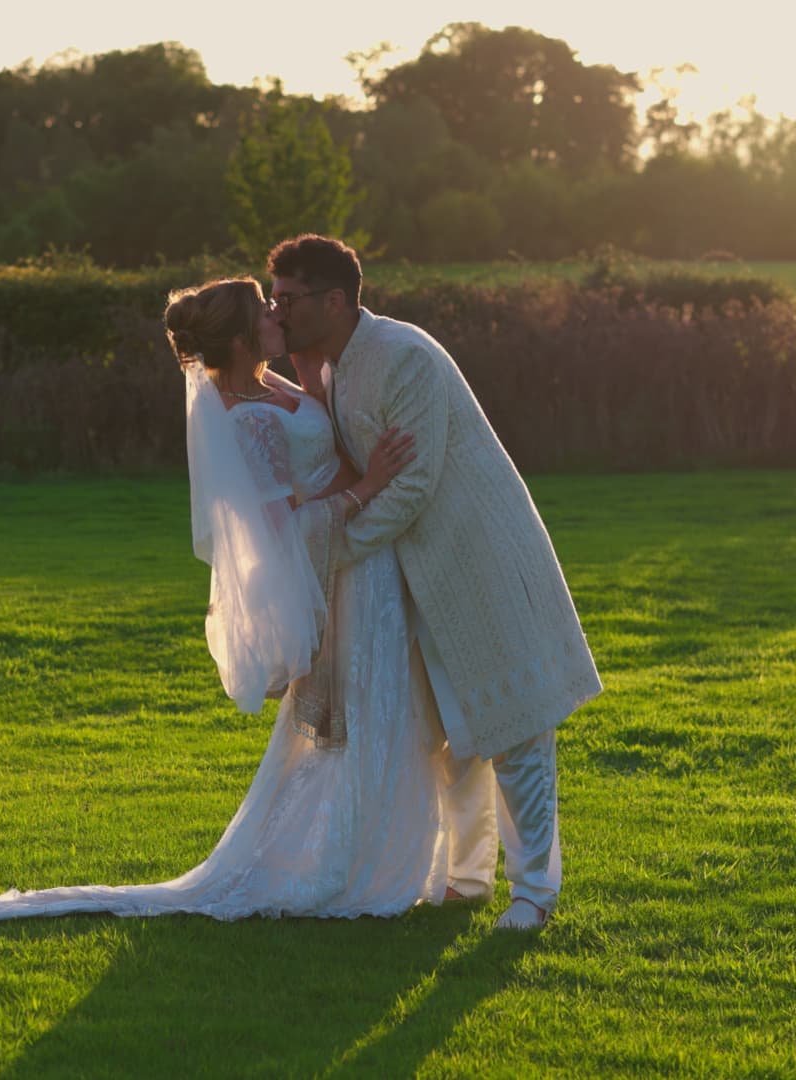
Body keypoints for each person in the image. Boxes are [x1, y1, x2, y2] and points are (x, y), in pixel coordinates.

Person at [0, 277, 447, 928]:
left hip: (360, 565)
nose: (278, 314)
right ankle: (336, 868)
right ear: (244, 341)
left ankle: (364, 852)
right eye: (265, 312)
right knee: (341, 726)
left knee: (365, 715)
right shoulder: (245, 421)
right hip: (330, 571)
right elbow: (283, 532)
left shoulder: (270, 383)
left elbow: (321, 433)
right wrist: (372, 487)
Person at [268, 235, 603, 932]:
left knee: (514, 728)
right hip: (415, 576)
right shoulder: (331, 366)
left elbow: (412, 484)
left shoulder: (404, 358)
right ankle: (468, 878)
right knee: (455, 734)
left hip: (475, 558)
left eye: (289, 299)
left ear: (335, 300)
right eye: (274, 298)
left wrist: (329, 550)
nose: (278, 310)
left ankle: (535, 892)